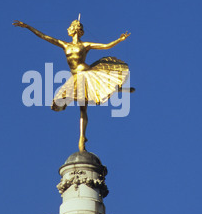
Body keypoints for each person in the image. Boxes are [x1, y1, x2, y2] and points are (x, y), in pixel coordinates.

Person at [13, 18, 131, 151]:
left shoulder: (85, 45)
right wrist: (28, 27)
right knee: (76, 105)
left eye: (71, 27)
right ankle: (83, 135)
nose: (69, 29)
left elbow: (105, 46)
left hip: (85, 73)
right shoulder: (65, 45)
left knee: (83, 108)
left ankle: (82, 137)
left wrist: (119, 40)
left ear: (74, 29)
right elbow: (45, 37)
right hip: (75, 78)